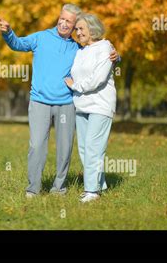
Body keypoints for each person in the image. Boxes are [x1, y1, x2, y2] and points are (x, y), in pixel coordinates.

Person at [0, 4, 118, 198]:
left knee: (65, 149)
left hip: (67, 103)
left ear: (73, 26)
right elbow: (17, 44)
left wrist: (116, 57)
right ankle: (33, 189)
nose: (63, 23)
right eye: (61, 18)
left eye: (69, 22)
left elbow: (98, 52)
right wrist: (8, 32)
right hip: (39, 101)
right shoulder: (41, 37)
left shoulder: (77, 46)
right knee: (36, 145)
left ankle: (59, 188)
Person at [64, 13, 116, 203]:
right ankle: (99, 185)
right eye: (76, 29)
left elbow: (98, 79)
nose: (77, 33)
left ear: (92, 29)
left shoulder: (105, 48)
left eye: (81, 29)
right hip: (81, 105)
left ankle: (92, 192)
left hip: (100, 105)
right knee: (85, 149)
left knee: (94, 148)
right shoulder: (81, 51)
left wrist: (74, 86)